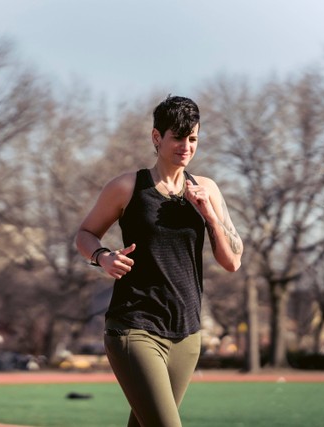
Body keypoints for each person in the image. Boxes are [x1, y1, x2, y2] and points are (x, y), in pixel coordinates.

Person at [75, 95, 243, 427]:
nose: (186, 146)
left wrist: (209, 215)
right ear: (157, 137)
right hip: (135, 328)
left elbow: (232, 261)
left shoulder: (207, 188)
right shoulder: (127, 187)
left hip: (187, 334)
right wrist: (102, 257)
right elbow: (84, 233)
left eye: (192, 138)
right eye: (177, 137)